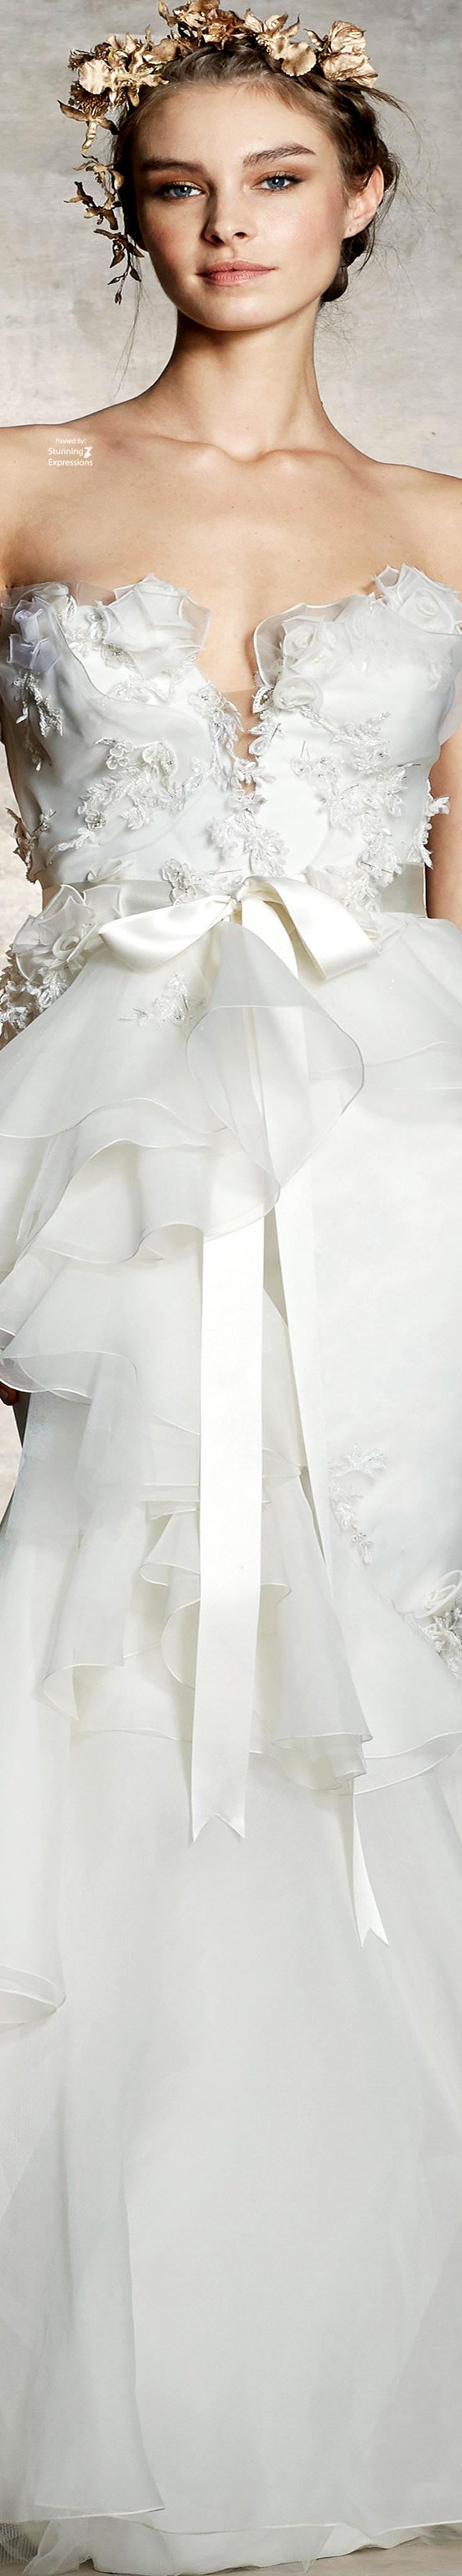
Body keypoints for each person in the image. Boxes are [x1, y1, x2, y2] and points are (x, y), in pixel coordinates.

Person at [1, 6, 462, 2568]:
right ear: (129, 210)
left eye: (277, 177)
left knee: (361, 1701)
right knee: (114, 1678)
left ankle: (357, 2342)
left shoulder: (446, 519)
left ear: (359, 198)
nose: (228, 226)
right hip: (116, 1185)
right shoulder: (26, 486)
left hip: (396, 1183)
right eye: (181, 186)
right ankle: (119, 2353)